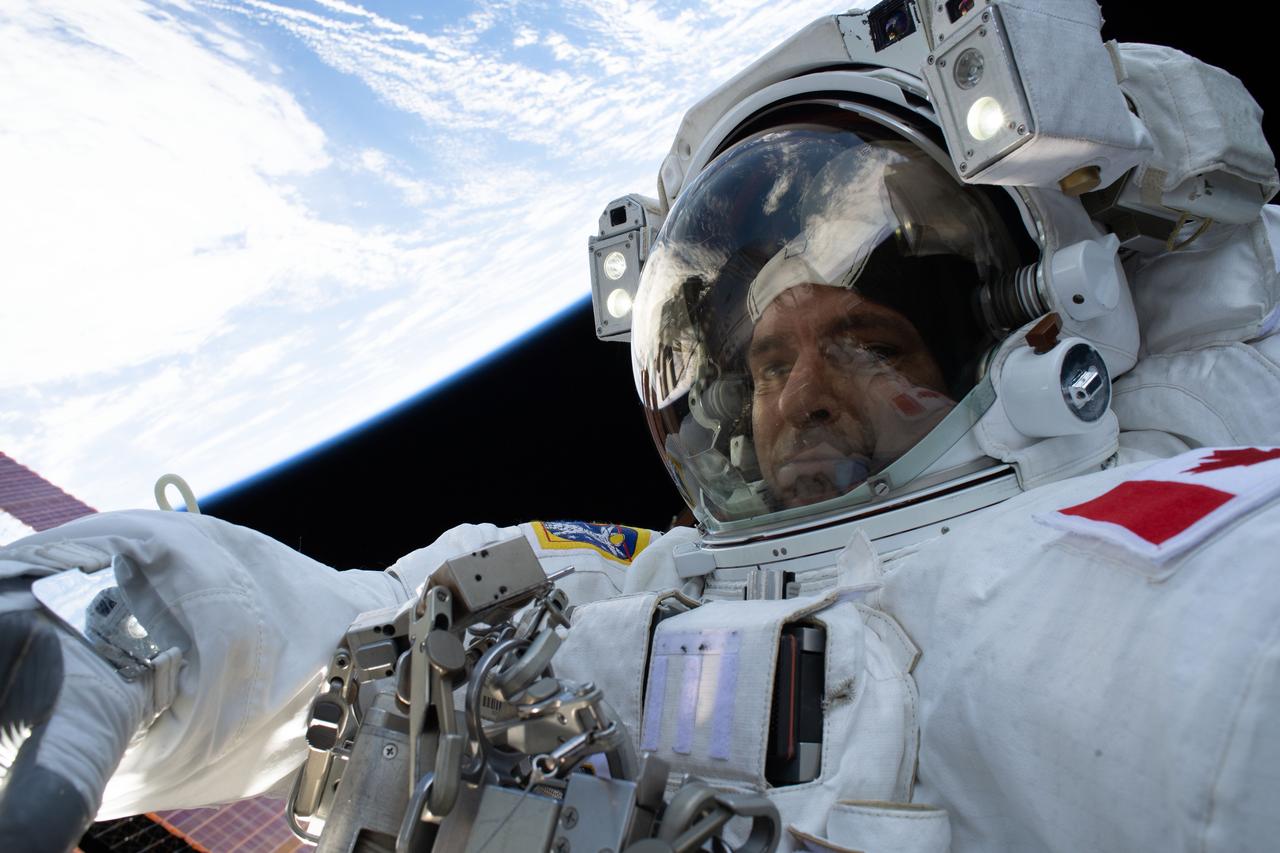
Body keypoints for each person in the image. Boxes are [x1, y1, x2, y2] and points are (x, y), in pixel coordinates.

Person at [4, 2, 1280, 850]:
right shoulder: (657, 592)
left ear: (1028, 341)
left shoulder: (1098, 574)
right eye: (766, 361)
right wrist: (110, 623)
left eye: (866, 341)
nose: (803, 390)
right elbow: (354, 642)